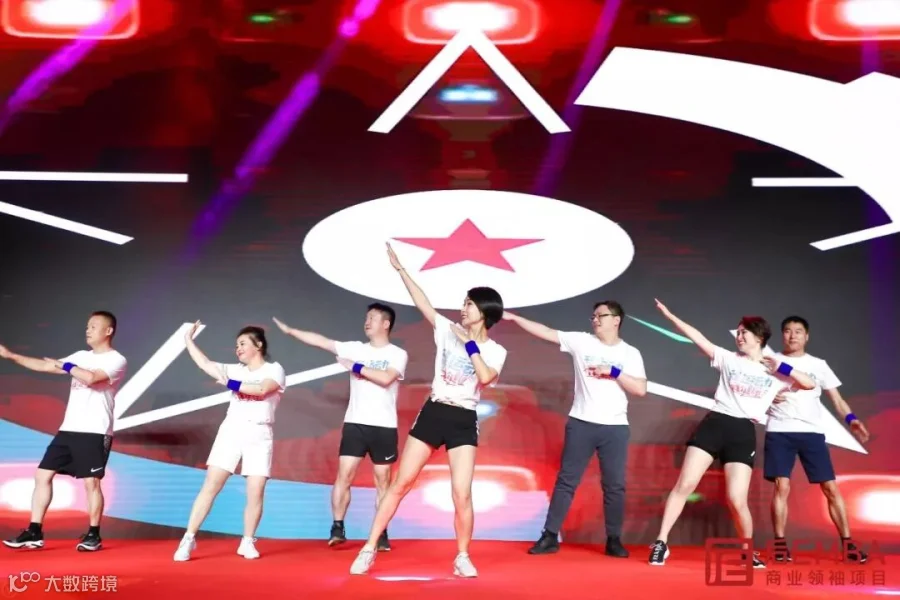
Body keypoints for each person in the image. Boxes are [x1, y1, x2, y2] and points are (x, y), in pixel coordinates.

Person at [349, 243, 507, 578]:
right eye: (464, 302)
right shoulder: (446, 330)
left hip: (463, 418)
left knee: (461, 493)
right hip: (434, 411)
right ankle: (369, 548)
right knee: (401, 483)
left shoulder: (496, 350)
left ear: (484, 311)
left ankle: (462, 556)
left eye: (469, 303)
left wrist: (469, 343)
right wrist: (401, 269)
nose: (463, 308)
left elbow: (484, 377)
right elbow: (423, 302)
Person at [647, 299, 815, 567]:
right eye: (738, 332)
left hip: (742, 432)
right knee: (685, 485)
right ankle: (661, 543)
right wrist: (670, 315)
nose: (739, 336)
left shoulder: (775, 371)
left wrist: (781, 367)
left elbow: (809, 384)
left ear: (759, 337)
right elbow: (697, 337)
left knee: (737, 499)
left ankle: (747, 552)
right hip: (715, 424)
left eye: (744, 332)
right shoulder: (727, 358)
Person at [504, 302, 647, 558]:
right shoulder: (582, 342)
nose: (595, 320)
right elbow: (547, 332)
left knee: (614, 485)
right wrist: (515, 319)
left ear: (616, 320)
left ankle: (614, 540)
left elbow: (640, 389)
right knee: (566, 481)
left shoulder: (630, 353)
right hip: (581, 423)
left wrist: (614, 372)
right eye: (593, 316)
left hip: (615, 427)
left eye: (601, 316)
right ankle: (549, 536)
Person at [272, 303, 408, 551]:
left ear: (386, 324)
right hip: (355, 423)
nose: (367, 322)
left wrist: (353, 366)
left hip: (384, 426)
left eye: (373, 318)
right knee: (344, 476)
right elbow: (322, 342)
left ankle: (380, 532)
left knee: (383, 481)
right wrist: (291, 331)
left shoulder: (397, 354)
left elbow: (385, 378)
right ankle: (337, 527)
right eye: (366, 318)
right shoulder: (356, 348)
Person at [2, 311, 127, 553]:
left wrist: (67, 365)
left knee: (91, 482)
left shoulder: (116, 360)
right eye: (87, 326)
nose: (88, 330)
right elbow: (45, 366)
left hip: (95, 430)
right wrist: (11, 356)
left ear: (108, 331)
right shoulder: (80, 356)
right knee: (42, 475)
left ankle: (93, 535)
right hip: (68, 429)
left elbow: (91, 378)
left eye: (93, 326)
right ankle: (34, 531)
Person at [172, 322, 286, 562]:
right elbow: (205, 363)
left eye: (243, 344)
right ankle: (189, 538)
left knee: (256, 490)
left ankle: (247, 541)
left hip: (260, 433)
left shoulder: (274, 369)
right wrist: (188, 340)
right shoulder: (234, 370)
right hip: (232, 430)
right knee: (211, 485)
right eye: (236, 346)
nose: (238, 349)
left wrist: (230, 384)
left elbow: (261, 389)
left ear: (259, 345)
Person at [764, 316, 870, 564]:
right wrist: (766, 397)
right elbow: (753, 391)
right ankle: (780, 545)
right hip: (779, 430)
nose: (793, 336)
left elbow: (837, 400)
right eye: (788, 331)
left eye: (798, 331)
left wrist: (852, 420)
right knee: (782, 486)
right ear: (782, 335)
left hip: (811, 433)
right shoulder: (769, 362)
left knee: (830, 488)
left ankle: (848, 545)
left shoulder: (818, 365)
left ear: (806, 336)